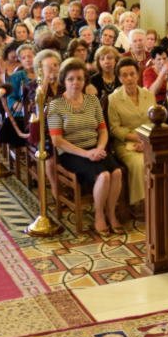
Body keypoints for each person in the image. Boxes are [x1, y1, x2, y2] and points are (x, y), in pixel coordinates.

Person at [48, 57, 125, 233]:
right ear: (64, 81)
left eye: (80, 78)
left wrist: (99, 149)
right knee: (104, 175)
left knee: (116, 172)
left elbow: (103, 131)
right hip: (70, 153)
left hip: (95, 148)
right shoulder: (55, 105)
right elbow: (57, 140)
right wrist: (86, 153)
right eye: (71, 79)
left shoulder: (93, 101)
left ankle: (111, 213)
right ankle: (99, 215)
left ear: (85, 81)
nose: (75, 82)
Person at [107, 56, 155, 220]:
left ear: (138, 75)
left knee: (160, 159)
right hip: (125, 144)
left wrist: (145, 140)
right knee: (139, 163)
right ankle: (141, 204)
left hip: (148, 140)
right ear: (119, 78)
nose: (129, 78)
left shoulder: (149, 95)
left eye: (132, 74)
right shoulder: (113, 99)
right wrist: (136, 138)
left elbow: (154, 122)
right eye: (124, 75)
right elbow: (114, 128)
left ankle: (157, 198)